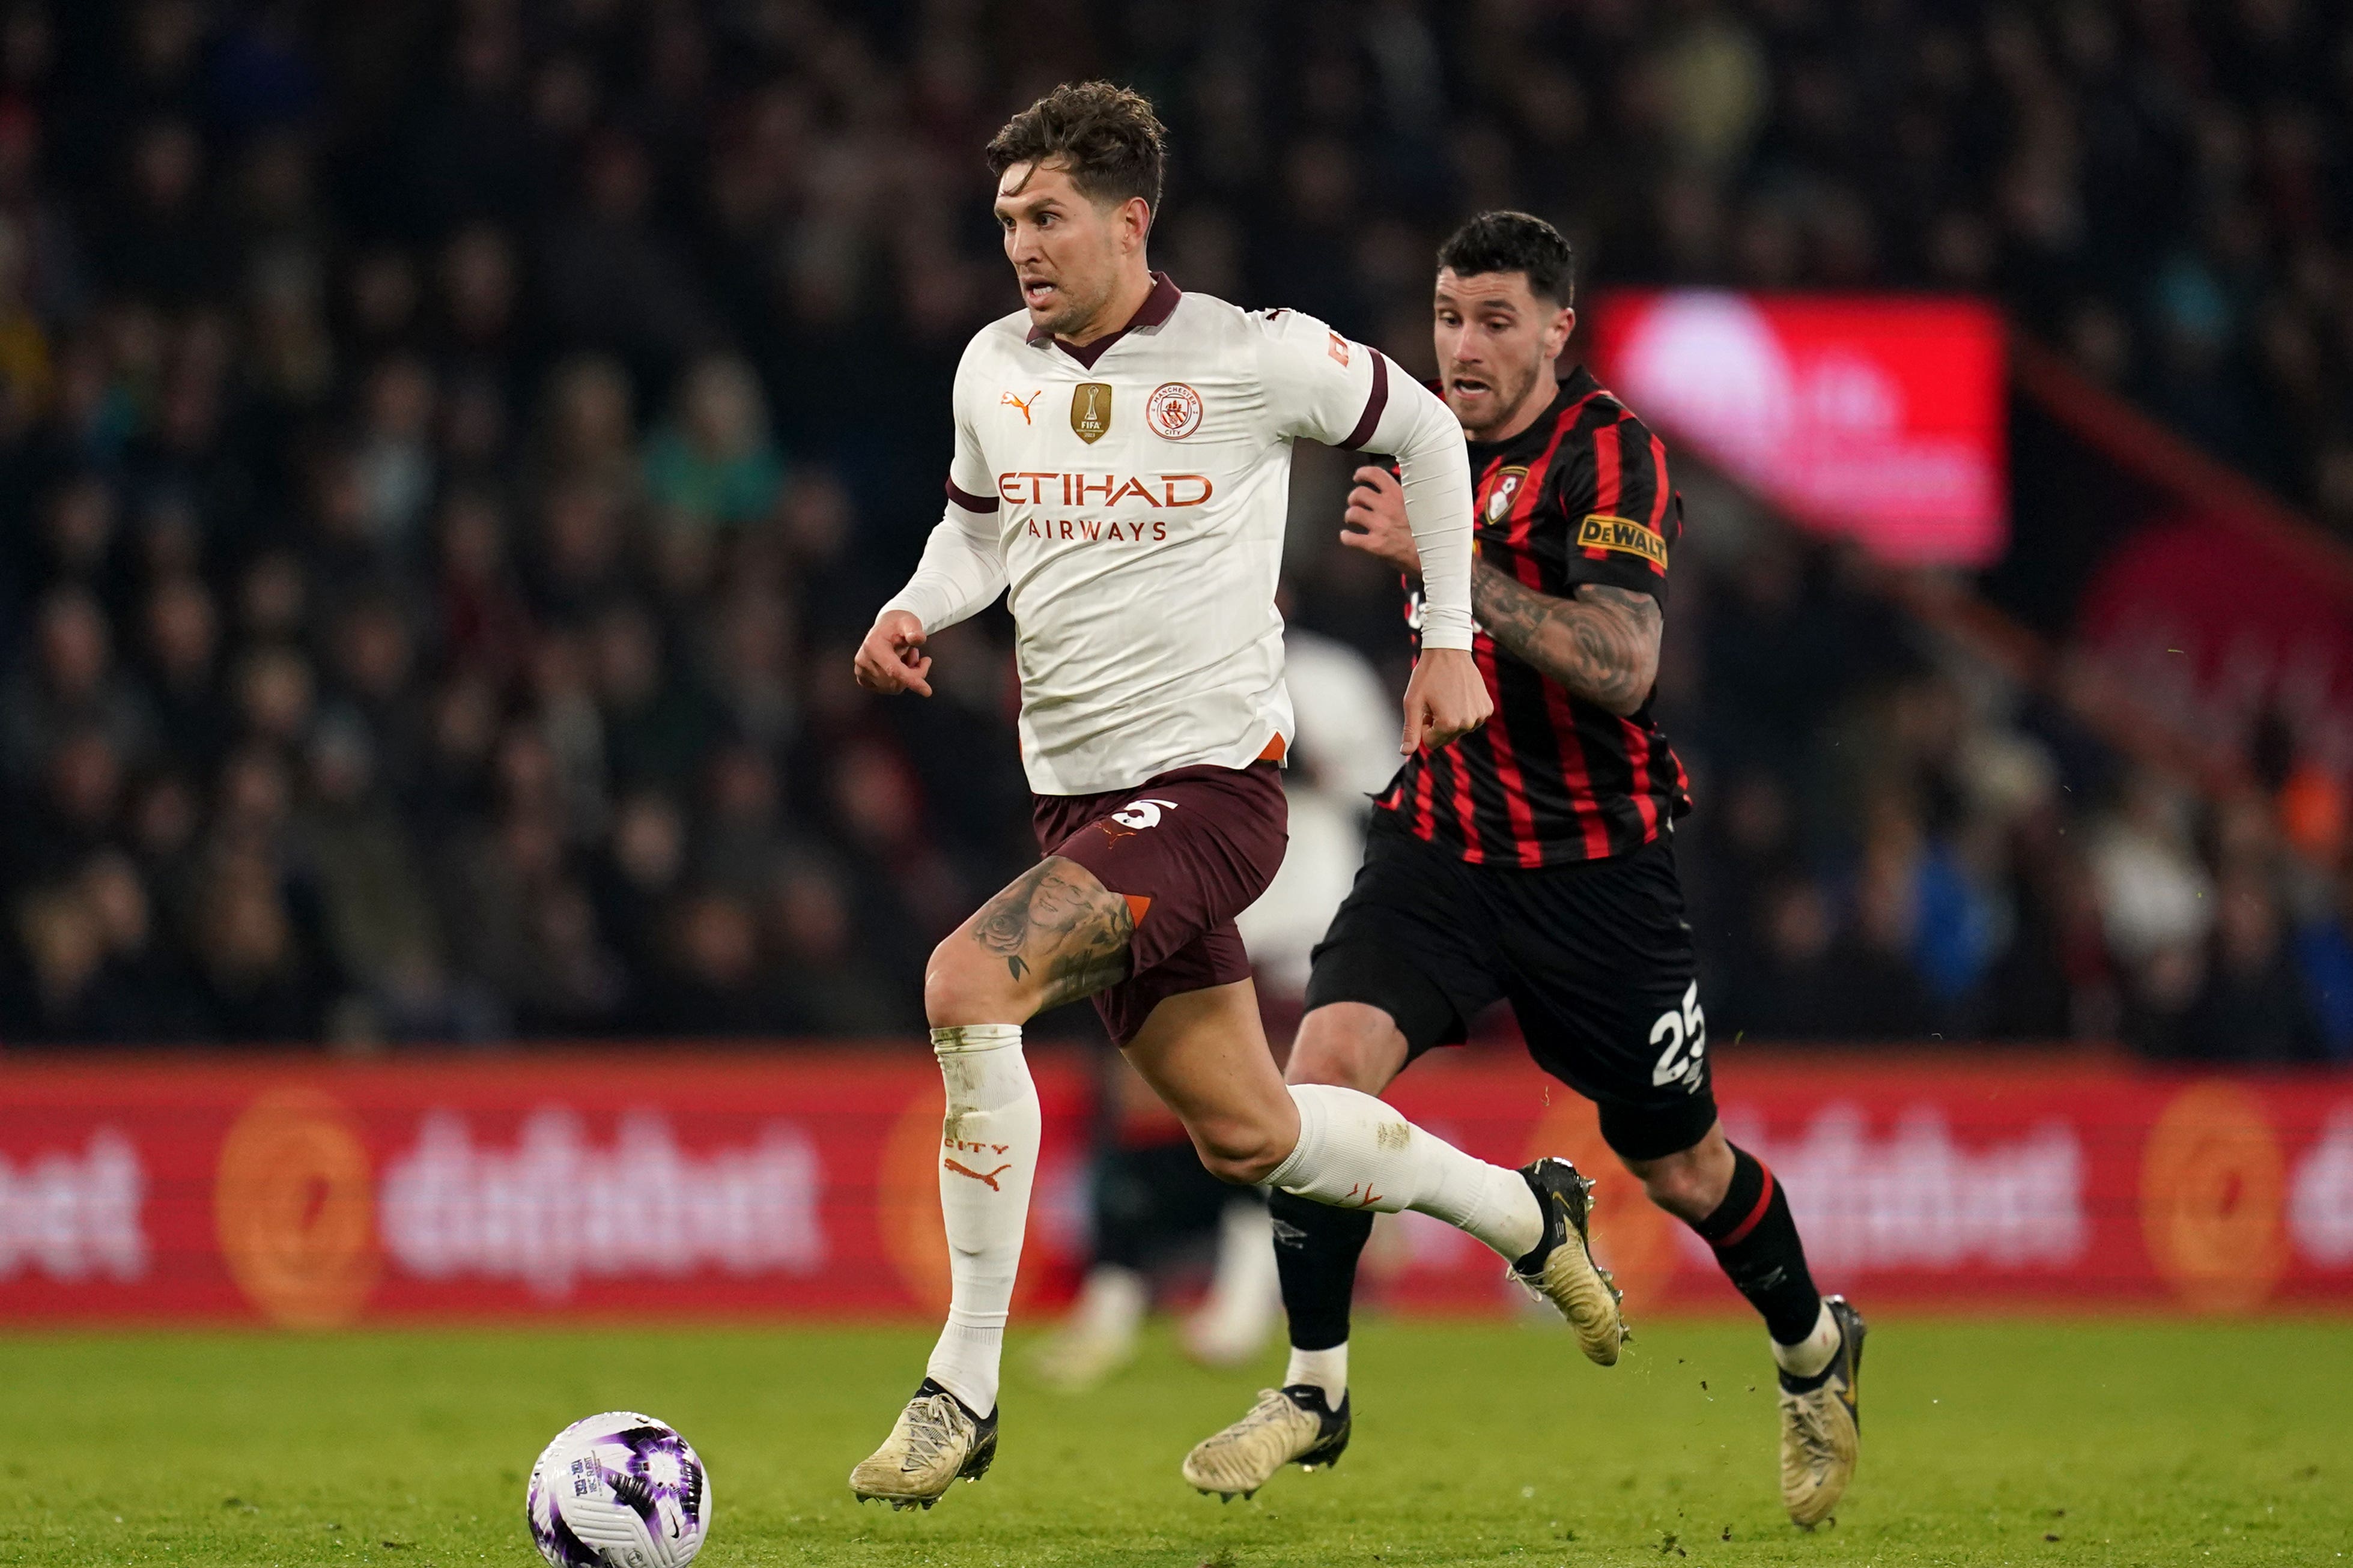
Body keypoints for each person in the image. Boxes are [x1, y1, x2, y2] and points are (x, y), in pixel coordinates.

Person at [846, 86, 1626, 1510]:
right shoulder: (990, 368)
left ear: (1131, 220)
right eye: (1007, 218)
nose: (1018, 243)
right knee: (1255, 1133)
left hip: (1208, 793)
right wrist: (915, 607)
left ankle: (961, 1384)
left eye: (1047, 217)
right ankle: (1531, 1211)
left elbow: (1430, 438)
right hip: (1076, 809)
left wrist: (1448, 638)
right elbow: (976, 528)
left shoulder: (1250, 358)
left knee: (968, 984)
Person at [1181, 212, 1864, 1529]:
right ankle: (1314, 1387)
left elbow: (1625, 663)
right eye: (1448, 317)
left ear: (1558, 328)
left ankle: (1815, 1353)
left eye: (1496, 320)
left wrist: (1457, 570)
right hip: (1441, 842)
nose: (1465, 345)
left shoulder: (1610, 452)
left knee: (1682, 1167)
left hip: (1597, 872)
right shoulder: (1417, 437)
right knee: (1317, 1082)